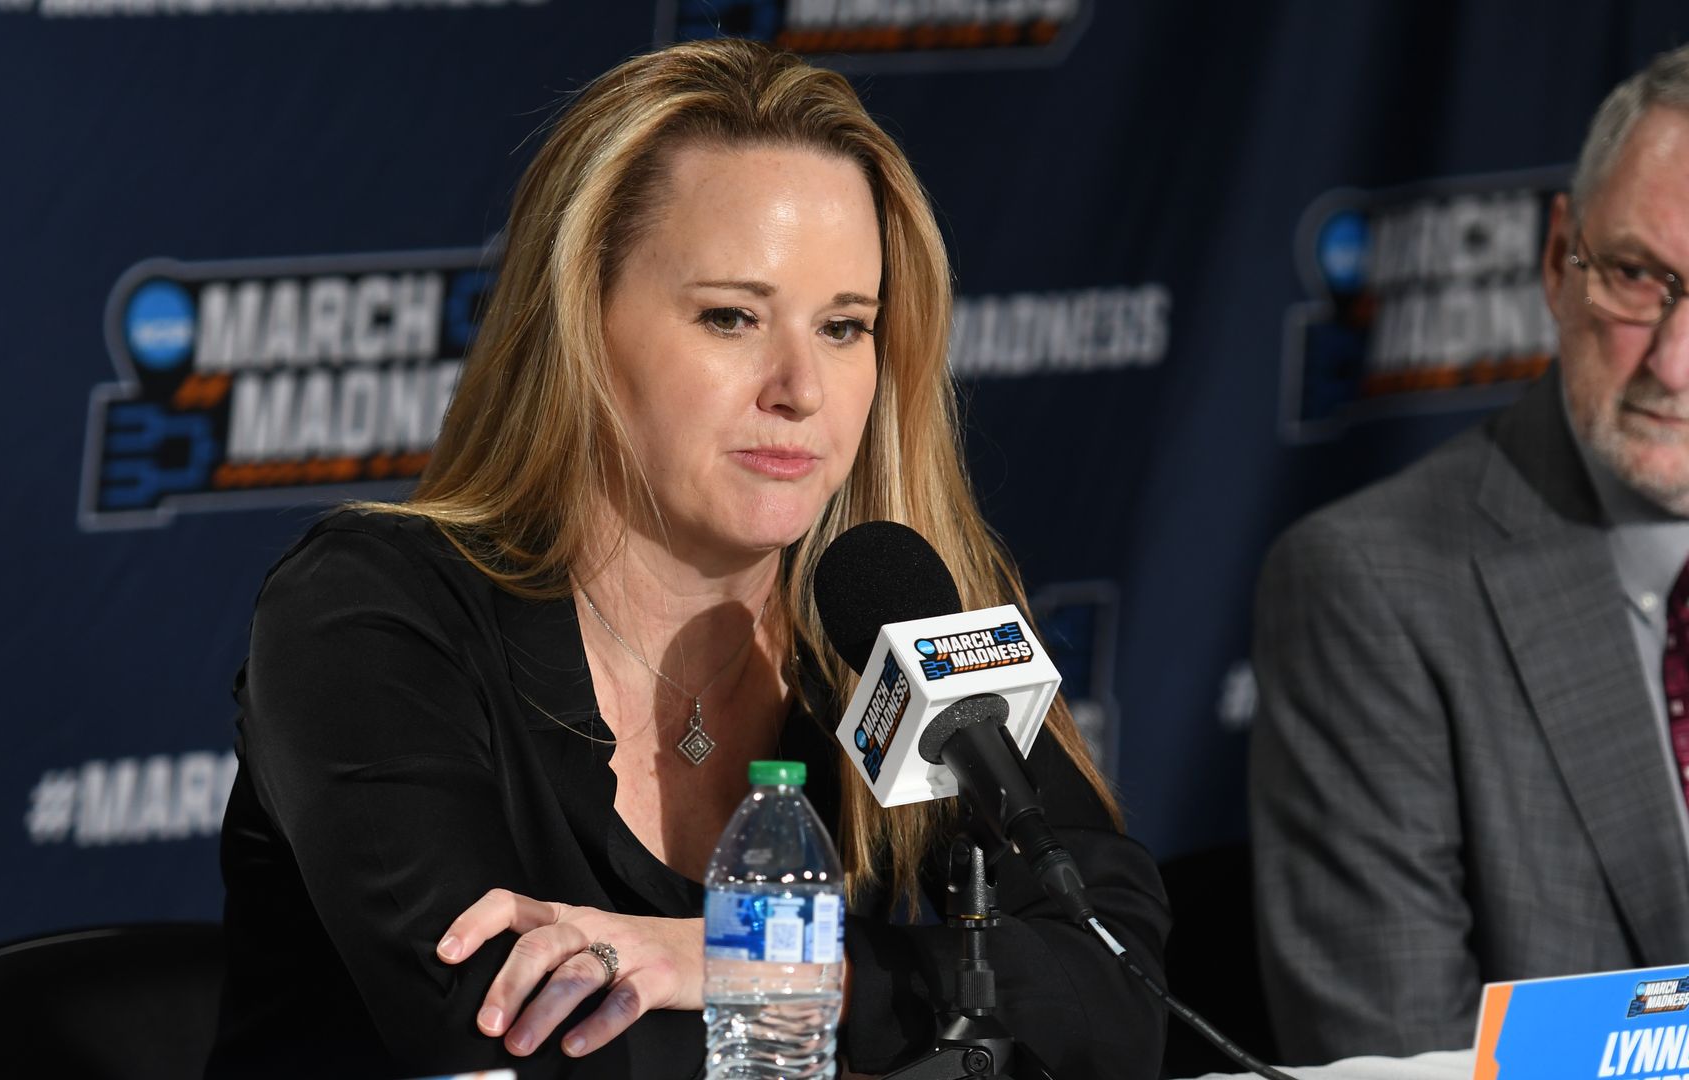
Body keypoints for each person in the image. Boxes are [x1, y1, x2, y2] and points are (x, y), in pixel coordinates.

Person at [202, 38, 1169, 1080]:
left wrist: (750, 965)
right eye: (731, 317)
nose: (800, 388)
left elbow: (1115, 997)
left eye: (845, 327)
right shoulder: (369, 612)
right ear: (579, 327)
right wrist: (885, 1007)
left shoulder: (887, 628)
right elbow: (512, 1044)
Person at [1250, 43, 1689, 1066]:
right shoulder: (1369, 589)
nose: (1673, 363)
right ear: (1559, 257)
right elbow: (1398, 1055)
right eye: (1638, 277)